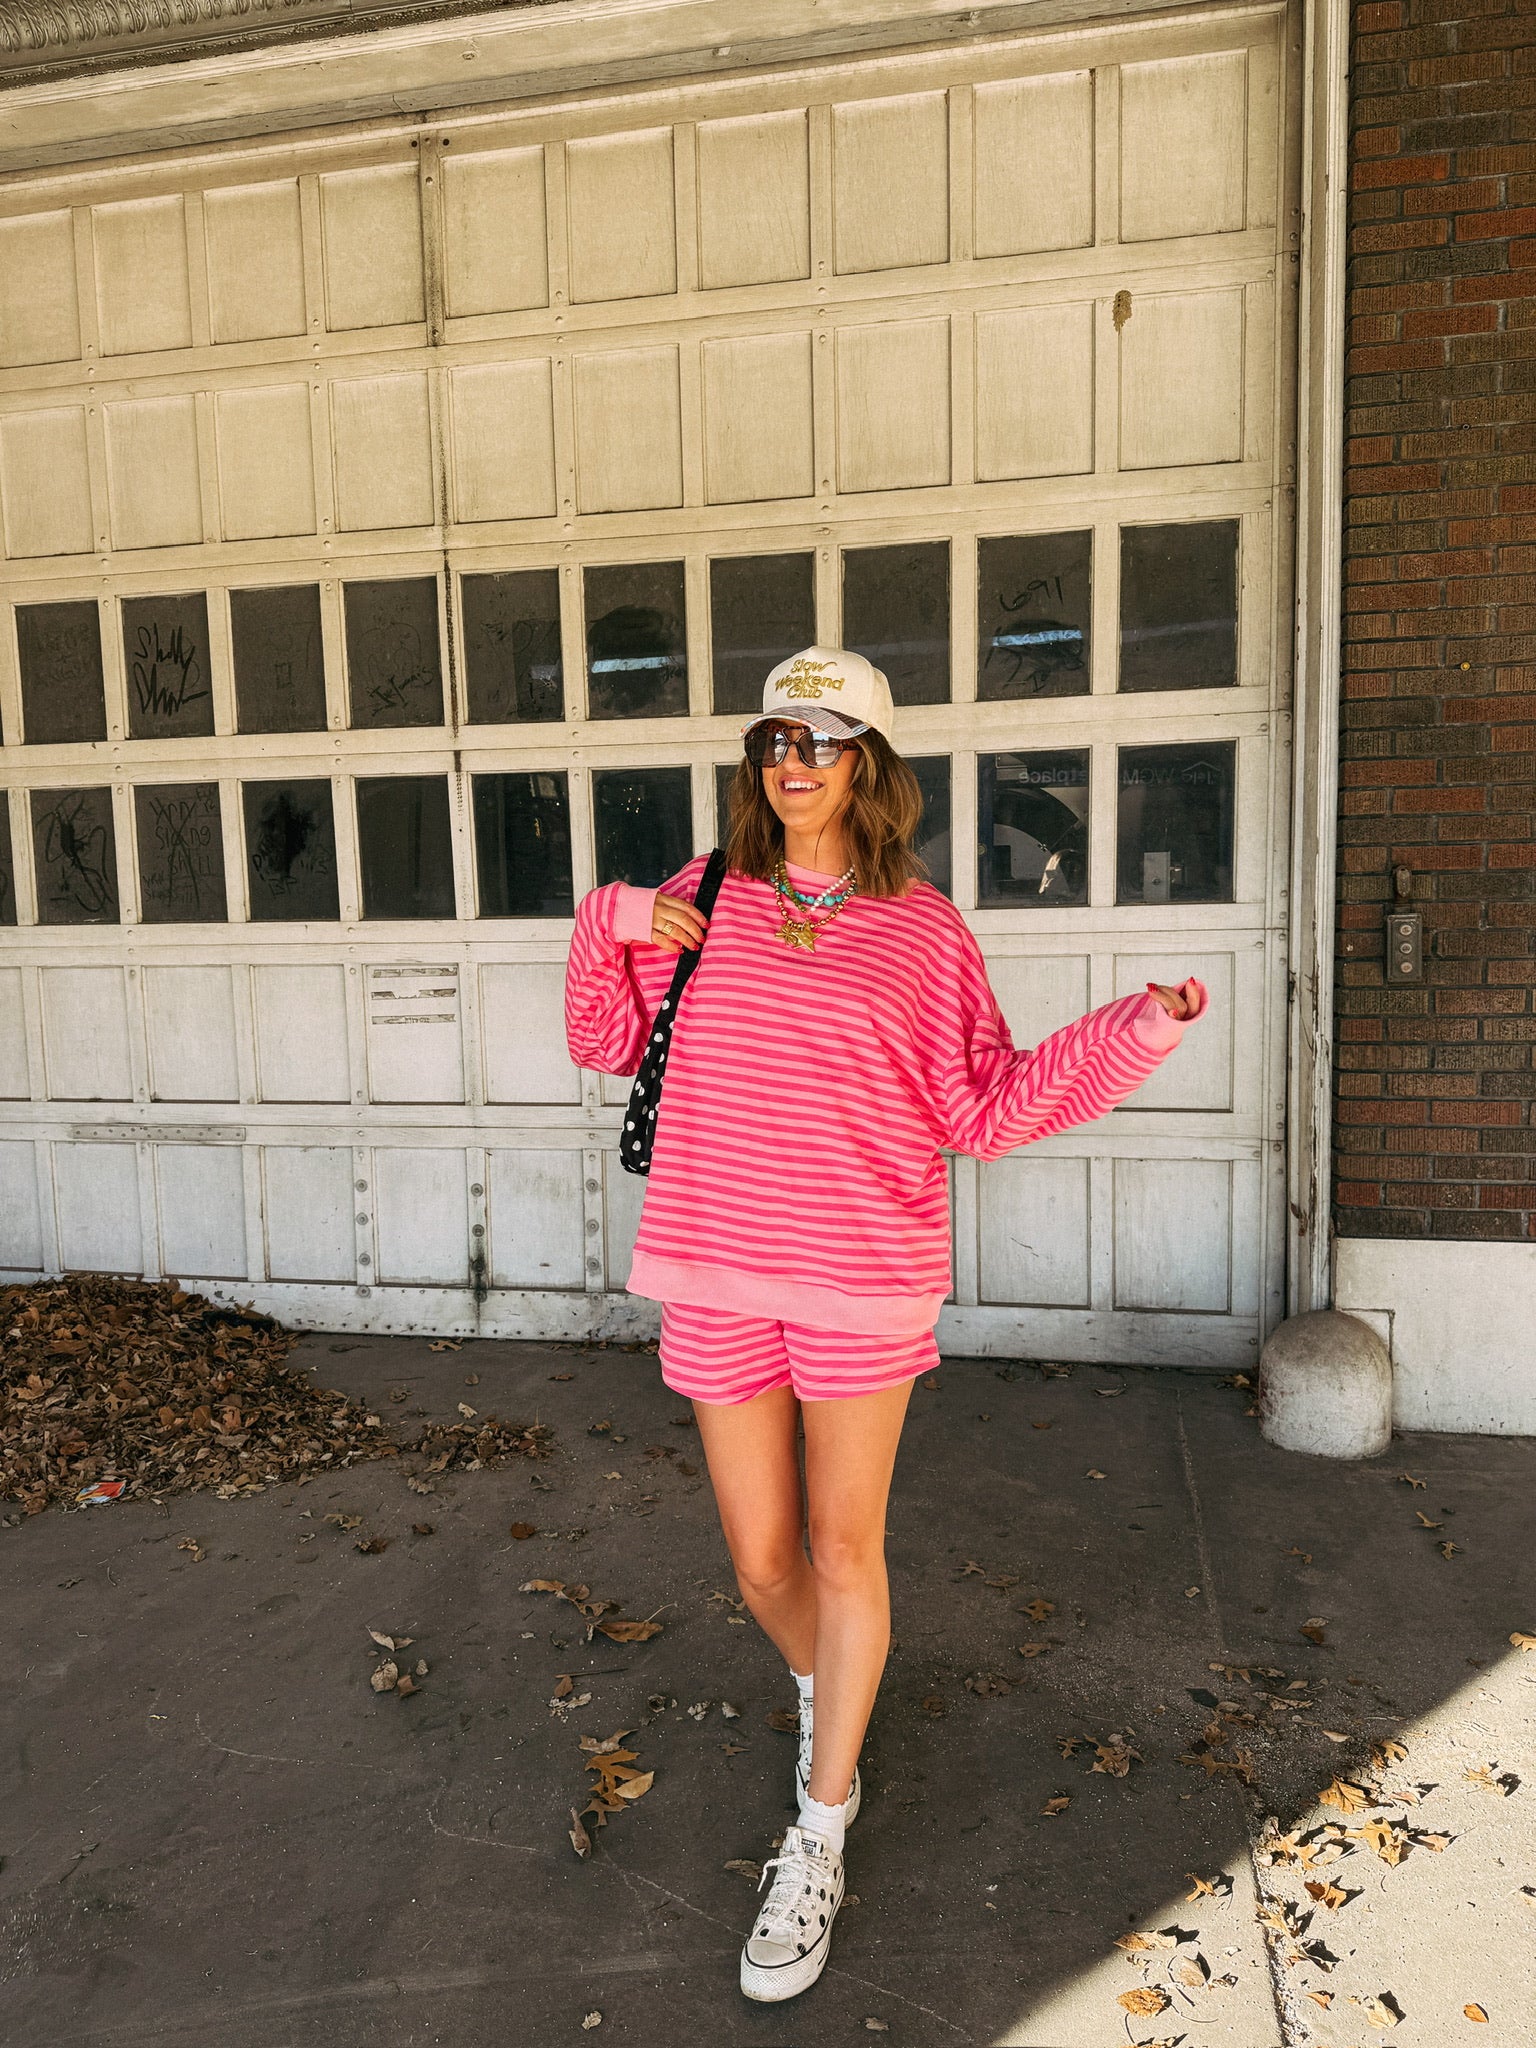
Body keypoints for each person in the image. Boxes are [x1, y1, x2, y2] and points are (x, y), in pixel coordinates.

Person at [565, 646, 1207, 2004]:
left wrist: (1134, 1032)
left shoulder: (923, 929)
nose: (791, 763)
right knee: (762, 1564)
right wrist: (605, 919)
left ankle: (822, 1823)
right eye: (773, 741)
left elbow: (986, 1103)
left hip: (862, 1275)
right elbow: (604, 1041)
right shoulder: (706, 891)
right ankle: (833, 1687)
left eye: (821, 740)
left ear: (869, 765)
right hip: (716, 1266)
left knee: (842, 1549)